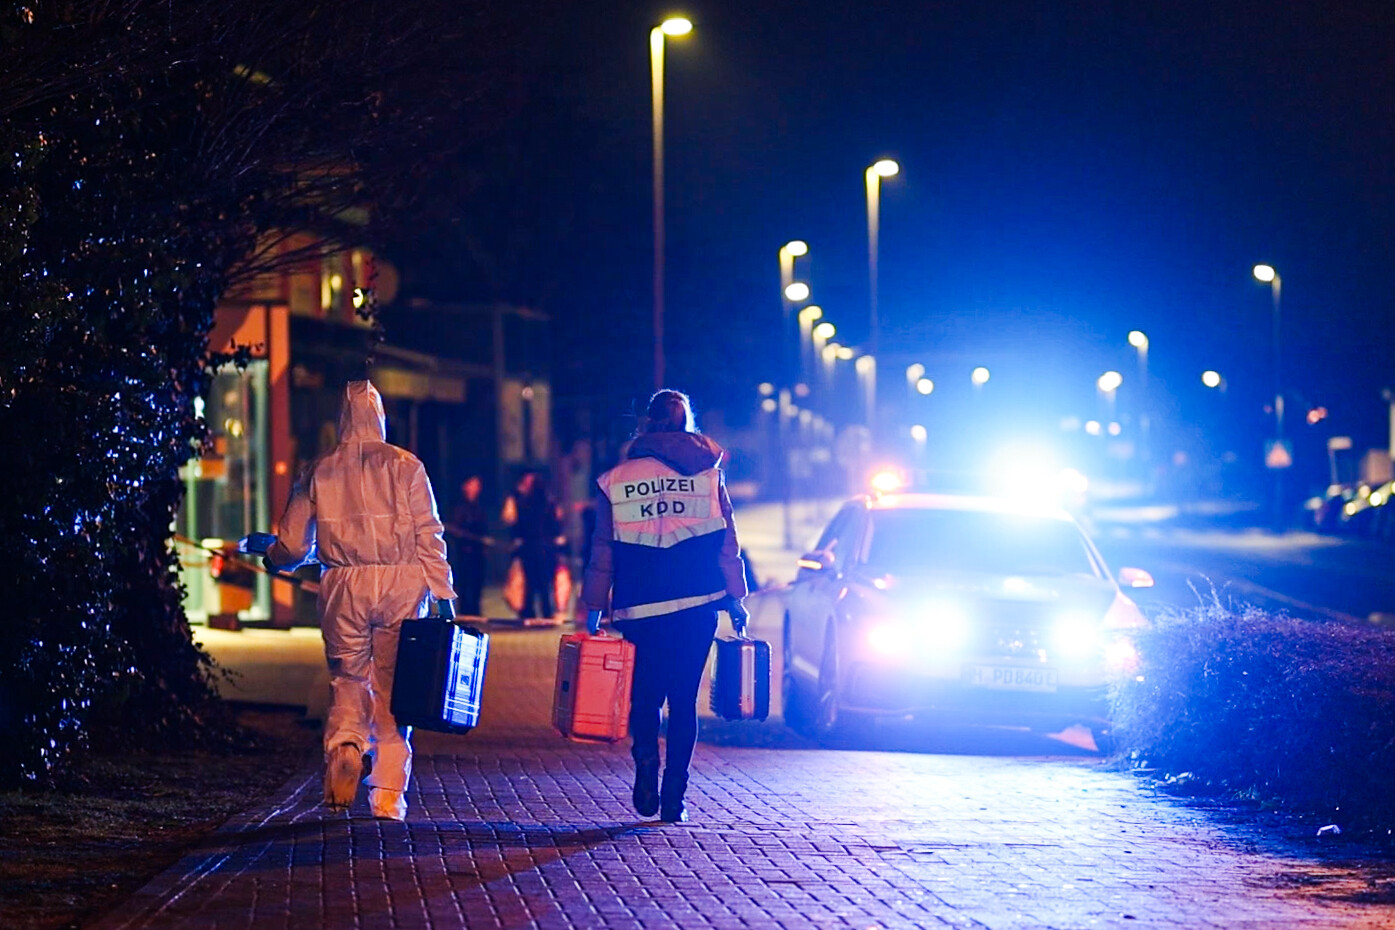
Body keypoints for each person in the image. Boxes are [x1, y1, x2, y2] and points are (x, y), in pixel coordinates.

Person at [266, 381, 455, 821]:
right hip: (401, 585)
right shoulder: (407, 466)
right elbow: (429, 533)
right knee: (395, 689)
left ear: (341, 419)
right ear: (381, 416)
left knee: (348, 679)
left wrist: (275, 558)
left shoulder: (320, 469)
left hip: (343, 586)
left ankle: (346, 749)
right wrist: (442, 590)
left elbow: (293, 546)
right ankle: (388, 791)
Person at [580, 389, 748, 823]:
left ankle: (645, 771)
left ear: (646, 424)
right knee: (683, 702)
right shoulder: (709, 476)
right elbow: (727, 542)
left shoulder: (616, 479)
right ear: (686, 422)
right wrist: (735, 599)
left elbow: (603, 549)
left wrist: (594, 606)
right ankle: (675, 797)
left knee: (646, 698)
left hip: (641, 609)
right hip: (699, 604)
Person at [502, 471, 564, 620]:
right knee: (542, 582)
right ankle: (545, 612)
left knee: (531, 582)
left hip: (531, 547)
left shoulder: (524, 502)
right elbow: (554, 523)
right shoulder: (547, 501)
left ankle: (529, 612)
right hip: (543, 547)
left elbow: (515, 522)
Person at [445, 475, 489, 617]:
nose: (476, 488)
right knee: (464, 583)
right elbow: (455, 528)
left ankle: (475, 611)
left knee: (477, 582)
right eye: (473, 484)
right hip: (464, 552)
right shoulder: (459, 507)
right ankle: (465, 612)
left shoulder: (480, 506)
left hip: (478, 551)